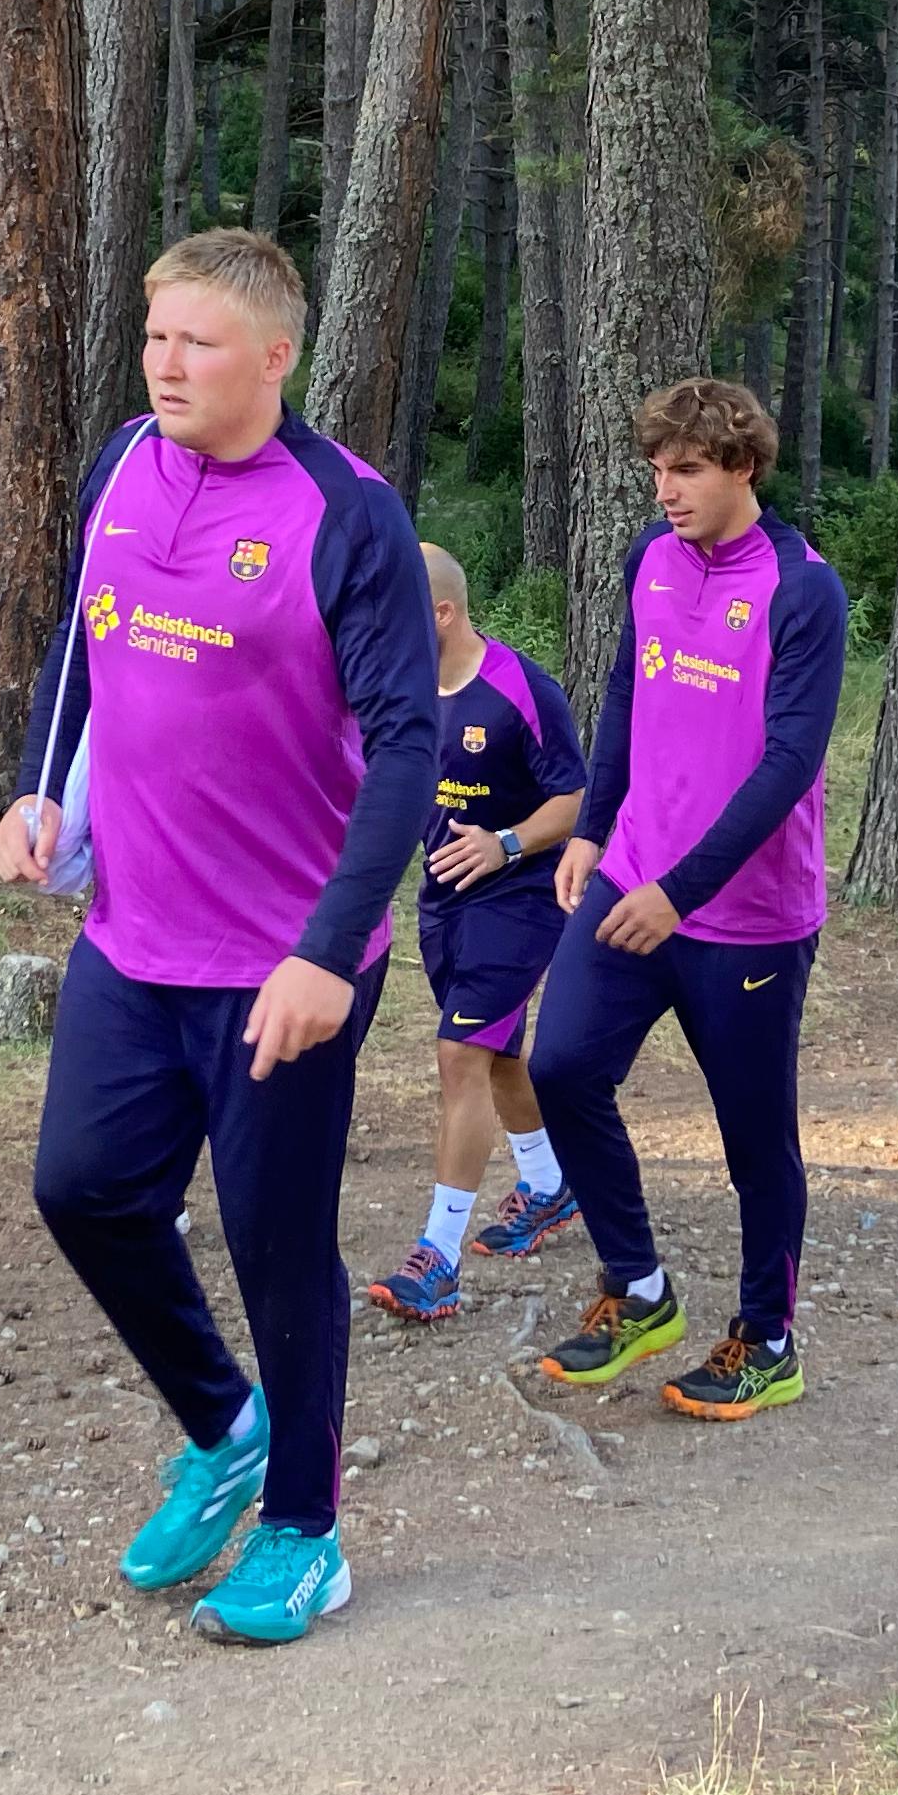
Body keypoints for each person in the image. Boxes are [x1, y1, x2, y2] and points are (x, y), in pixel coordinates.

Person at [0, 228, 435, 1649]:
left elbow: (409, 750)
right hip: (134, 934)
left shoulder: (341, 513)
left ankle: (307, 1531)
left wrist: (330, 949)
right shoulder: (125, 460)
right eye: (154, 337)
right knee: (84, 1193)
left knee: (274, 1239)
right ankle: (221, 1421)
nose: (167, 364)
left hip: (282, 962)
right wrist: (38, 787)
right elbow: (84, 639)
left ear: (274, 354)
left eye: (196, 341)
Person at [530, 378, 849, 1424]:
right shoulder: (649, 561)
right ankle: (641, 1288)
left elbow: (790, 762)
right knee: (562, 1065)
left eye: (690, 469)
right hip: (632, 878)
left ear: (743, 465)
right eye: (659, 468)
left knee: (756, 1139)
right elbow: (625, 695)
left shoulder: (804, 588)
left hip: (744, 915)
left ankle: (768, 1339)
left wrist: (683, 891)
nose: (668, 489)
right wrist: (591, 829)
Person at [366, 541, 589, 1321]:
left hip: (521, 895)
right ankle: (548, 1184)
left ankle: (438, 1257)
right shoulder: (396, 688)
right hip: (444, 899)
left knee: (461, 1052)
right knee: (497, 1055)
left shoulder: (520, 688)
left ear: (443, 612)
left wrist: (505, 845)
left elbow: (577, 800)